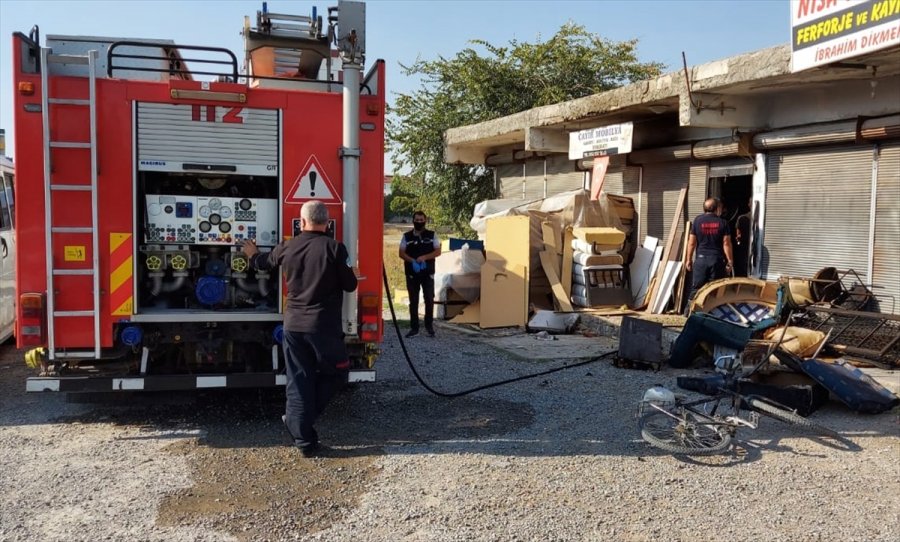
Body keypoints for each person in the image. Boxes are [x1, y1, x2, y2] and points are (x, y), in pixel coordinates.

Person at [241, 200, 358, 457]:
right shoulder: (335, 248)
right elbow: (350, 285)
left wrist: (251, 254)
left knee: (299, 380)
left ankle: (303, 438)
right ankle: (299, 427)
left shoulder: (288, 246)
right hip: (322, 328)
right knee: (338, 373)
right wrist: (351, 271)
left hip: (293, 326)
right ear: (327, 223)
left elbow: (263, 263)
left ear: (302, 222)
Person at [399, 210, 441, 338]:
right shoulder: (406, 237)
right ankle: (414, 328)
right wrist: (412, 260)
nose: (419, 222)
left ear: (425, 221)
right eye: (416, 220)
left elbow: (438, 251)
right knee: (413, 301)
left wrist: (425, 257)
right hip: (412, 273)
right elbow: (401, 253)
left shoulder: (432, 235)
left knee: (429, 299)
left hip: (427, 273)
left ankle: (429, 327)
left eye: (421, 220)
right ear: (413, 221)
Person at [685, 198, 733, 303]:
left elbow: (691, 242)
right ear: (717, 208)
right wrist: (730, 261)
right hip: (716, 261)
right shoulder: (723, 223)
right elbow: (726, 244)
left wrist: (688, 259)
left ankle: (689, 312)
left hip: (700, 260)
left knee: (696, 288)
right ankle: (711, 313)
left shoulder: (697, 220)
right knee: (715, 289)